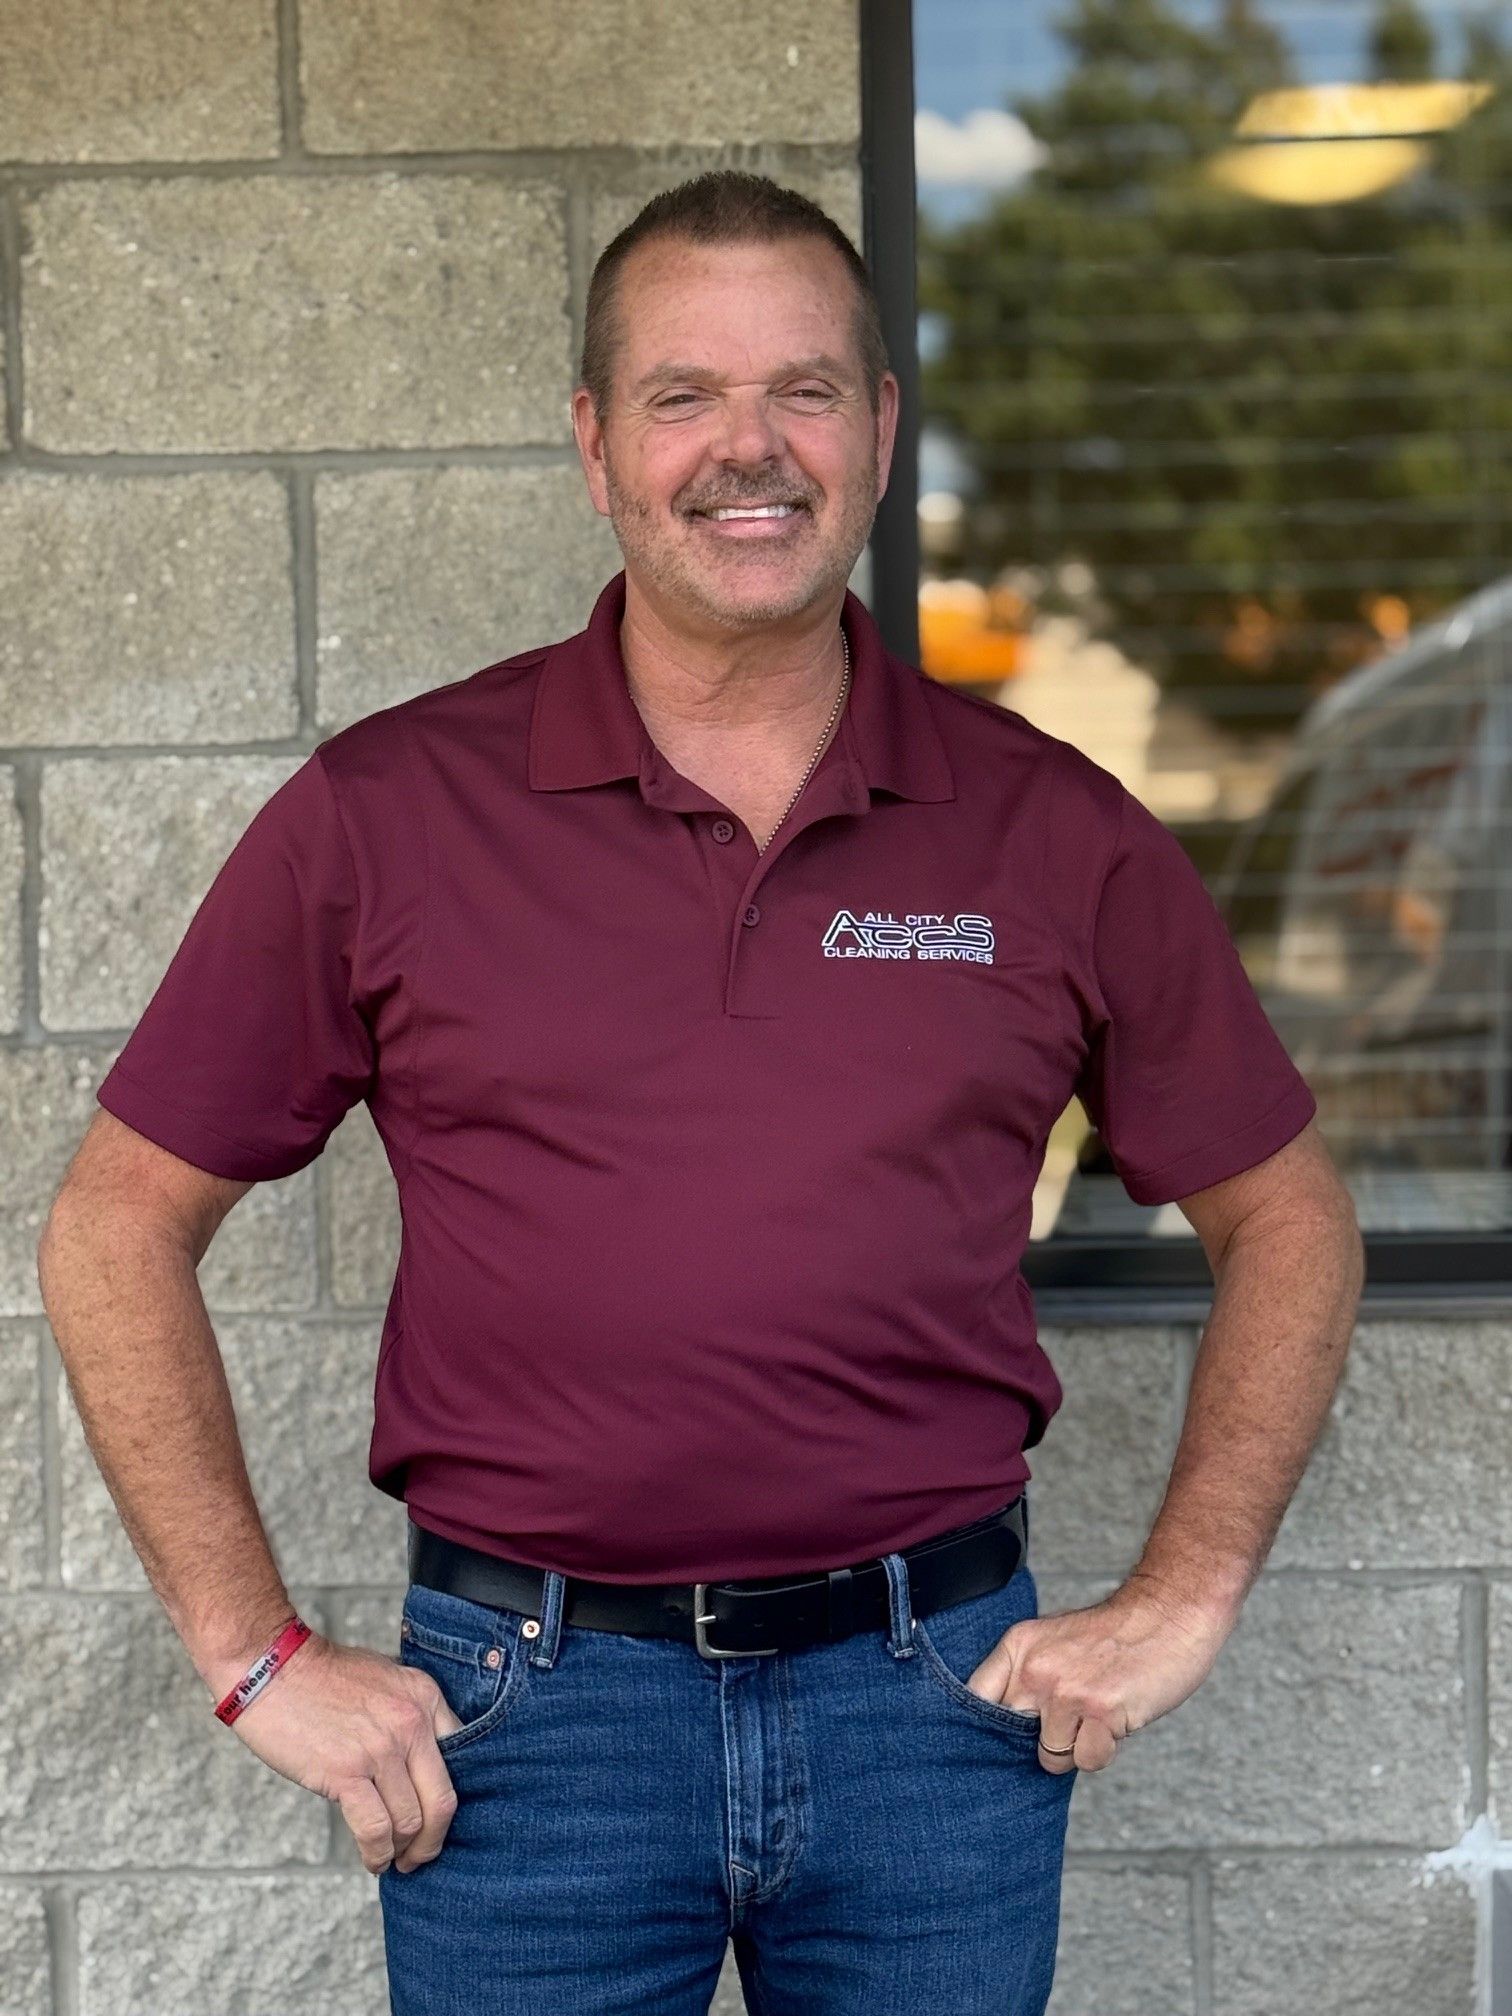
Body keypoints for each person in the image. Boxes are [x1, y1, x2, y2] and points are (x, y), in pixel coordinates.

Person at [37, 169, 1364, 2015]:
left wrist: (1185, 1595)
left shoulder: (1051, 828)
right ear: (596, 444)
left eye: (804, 390)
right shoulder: (391, 812)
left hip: (933, 1707)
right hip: (528, 1721)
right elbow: (114, 1225)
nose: (752, 447)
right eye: (685, 396)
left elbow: (1288, 1218)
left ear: (878, 430)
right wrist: (253, 1657)